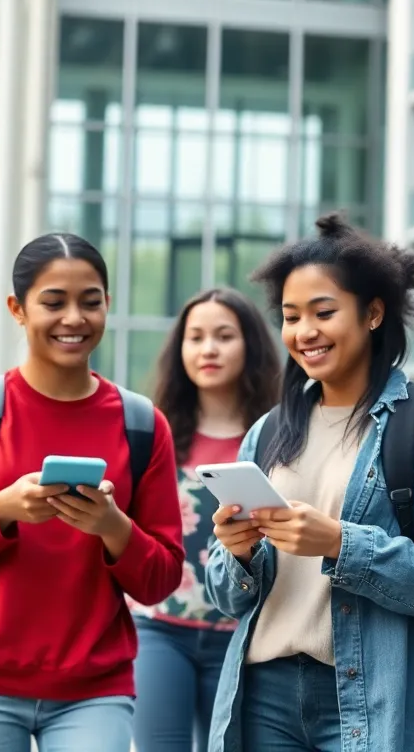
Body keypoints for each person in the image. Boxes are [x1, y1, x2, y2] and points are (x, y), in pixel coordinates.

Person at [0, 232, 185, 752]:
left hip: (95, 687)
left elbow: (161, 579)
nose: (74, 318)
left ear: (108, 306)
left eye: (90, 302)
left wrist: (112, 527)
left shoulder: (142, 424)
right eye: (54, 302)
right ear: (17, 310)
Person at [205, 213, 414, 752]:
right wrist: (236, 554)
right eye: (291, 316)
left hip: (370, 694)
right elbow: (226, 596)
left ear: (373, 313)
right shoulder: (268, 431)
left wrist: (340, 544)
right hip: (263, 692)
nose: (305, 332)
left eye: (323, 312)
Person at [132, 288, 281, 752]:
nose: (208, 349)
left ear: (250, 346)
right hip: (160, 629)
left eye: (223, 336)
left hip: (245, 636)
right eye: (195, 337)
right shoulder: (154, 432)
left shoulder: (277, 436)